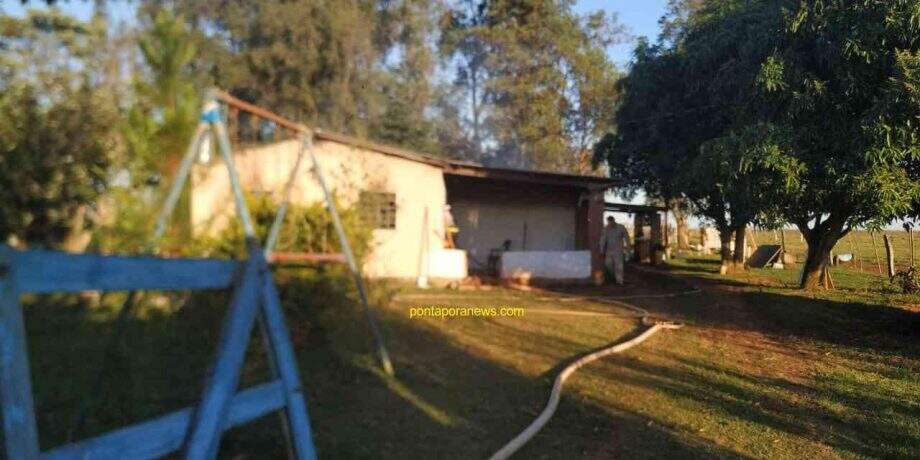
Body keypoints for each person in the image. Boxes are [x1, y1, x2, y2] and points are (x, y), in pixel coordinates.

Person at [599, 215, 630, 285]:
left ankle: (619, 281)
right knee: (608, 264)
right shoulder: (606, 229)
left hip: (618, 250)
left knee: (619, 266)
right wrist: (601, 250)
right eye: (609, 222)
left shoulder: (621, 227)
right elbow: (602, 240)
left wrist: (628, 249)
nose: (610, 223)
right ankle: (613, 276)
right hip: (609, 250)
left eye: (611, 222)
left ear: (613, 220)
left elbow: (627, 238)